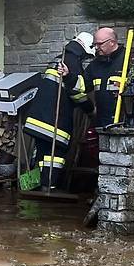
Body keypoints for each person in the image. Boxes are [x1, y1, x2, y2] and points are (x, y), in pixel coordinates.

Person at [22, 32, 94, 189]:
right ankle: (48, 188)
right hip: (54, 122)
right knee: (55, 156)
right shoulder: (73, 63)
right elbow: (76, 92)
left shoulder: (58, 58)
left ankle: (33, 187)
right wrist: (90, 108)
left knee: (41, 154)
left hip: (38, 118)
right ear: (85, 50)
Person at [84, 27, 130, 129]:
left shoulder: (129, 60)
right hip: (101, 124)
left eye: (100, 44)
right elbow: (83, 86)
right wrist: (68, 76)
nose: (96, 47)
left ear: (112, 42)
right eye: (95, 44)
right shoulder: (94, 65)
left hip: (124, 123)